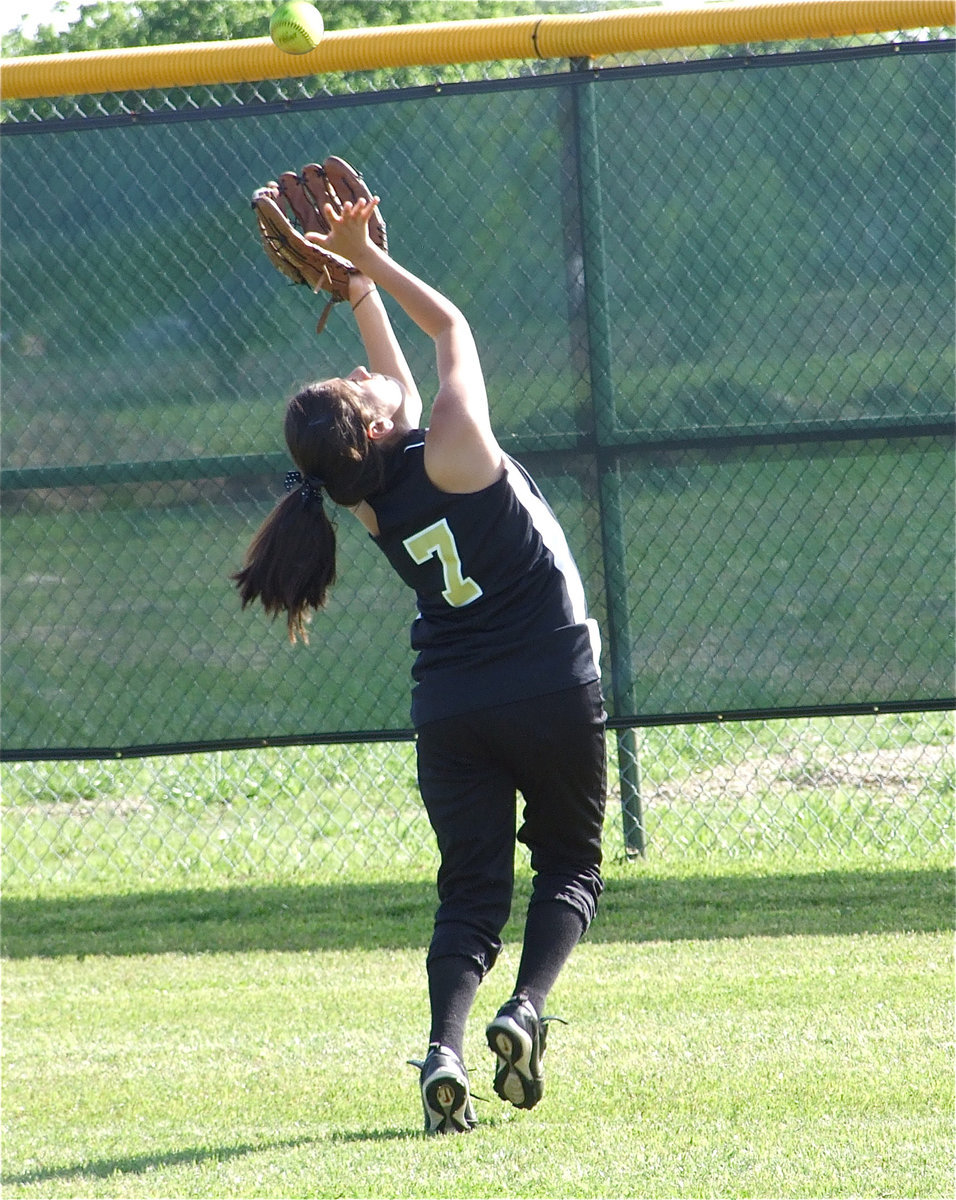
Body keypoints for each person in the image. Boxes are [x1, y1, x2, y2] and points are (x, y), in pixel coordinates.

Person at [235, 194, 607, 1135]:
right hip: (551, 681)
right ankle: (523, 1013)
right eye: (358, 380)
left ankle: (445, 1049)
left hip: (451, 704)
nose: (367, 369)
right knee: (568, 861)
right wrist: (375, 264)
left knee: (470, 891)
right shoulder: (451, 439)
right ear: (377, 423)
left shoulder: (363, 495)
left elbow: (388, 387)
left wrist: (358, 288)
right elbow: (449, 328)